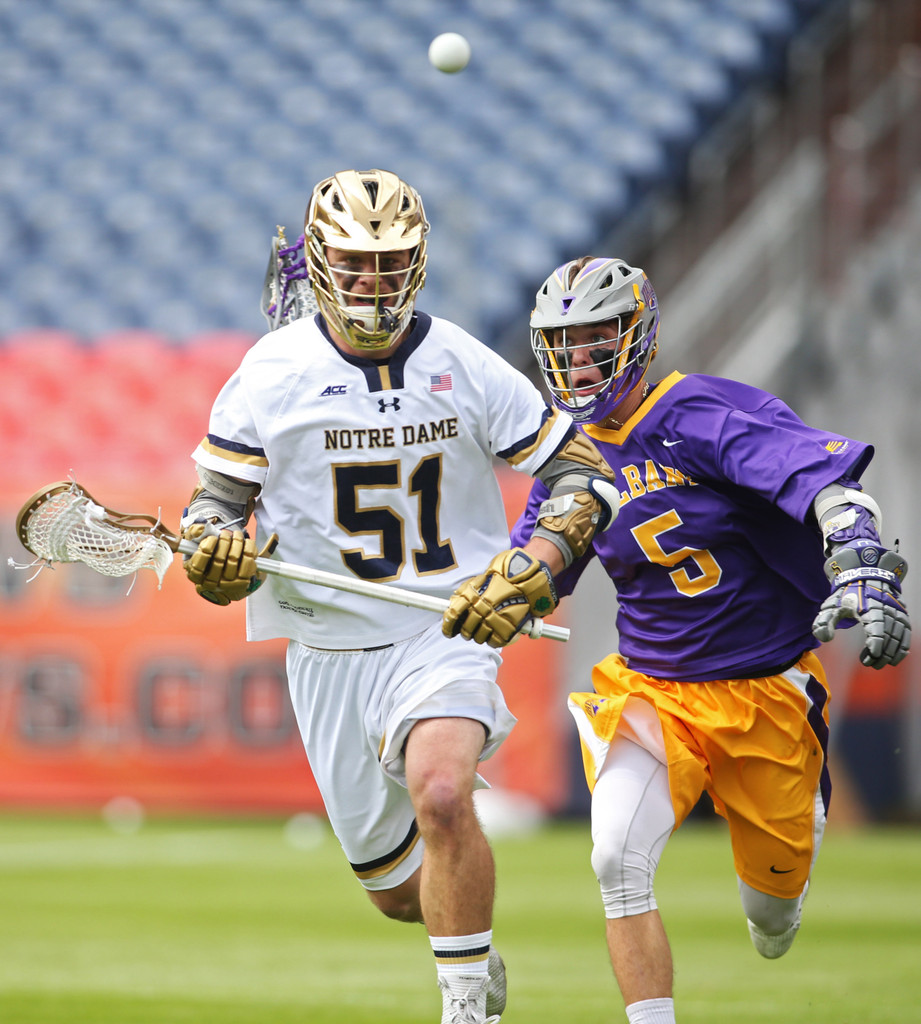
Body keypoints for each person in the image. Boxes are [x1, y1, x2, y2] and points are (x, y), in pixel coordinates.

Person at [177, 172, 618, 1024]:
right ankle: (474, 956)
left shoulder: (458, 357)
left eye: (391, 262)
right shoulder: (273, 370)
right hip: (329, 650)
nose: (373, 280)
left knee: (445, 793)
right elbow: (215, 504)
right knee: (397, 895)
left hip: (445, 626)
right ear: (320, 261)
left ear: (417, 262)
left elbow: (580, 472)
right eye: (355, 260)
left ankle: (463, 1009)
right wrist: (214, 551)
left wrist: (537, 558)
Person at [447, 255, 910, 1024]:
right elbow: (541, 571)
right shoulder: (567, 459)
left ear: (638, 335)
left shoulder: (699, 412)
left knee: (771, 916)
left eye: (597, 340)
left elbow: (828, 483)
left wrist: (861, 563)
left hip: (765, 691)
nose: (580, 361)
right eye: (564, 345)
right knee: (614, 861)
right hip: (653, 689)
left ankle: (780, 883)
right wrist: (503, 592)